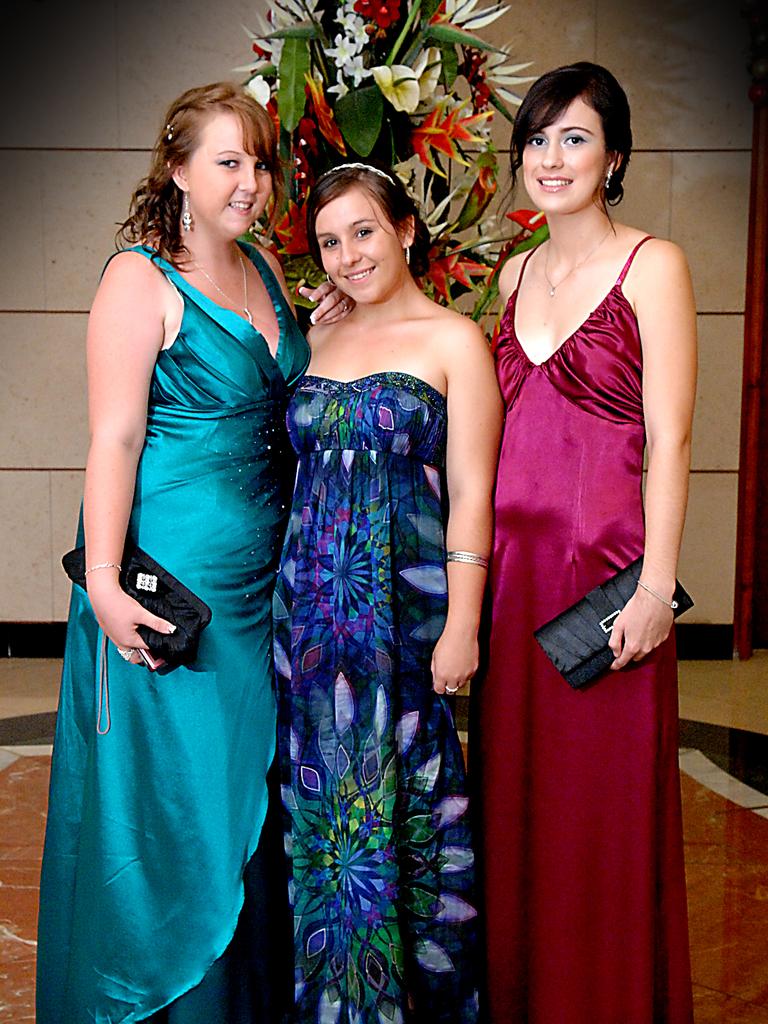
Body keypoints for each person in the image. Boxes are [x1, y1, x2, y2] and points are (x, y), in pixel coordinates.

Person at [36, 82, 346, 1024]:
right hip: (179, 591)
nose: (250, 181)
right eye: (227, 161)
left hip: (267, 584)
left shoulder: (262, 268)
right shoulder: (138, 278)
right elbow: (116, 440)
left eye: (259, 162)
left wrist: (325, 333)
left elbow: (280, 405)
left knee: (249, 792)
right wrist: (101, 586)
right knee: (180, 804)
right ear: (176, 170)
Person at [471, 62, 697, 1023]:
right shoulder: (513, 273)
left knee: (602, 822)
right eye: (537, 138)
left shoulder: (657, 264)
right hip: (512, 588)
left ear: (614, 157)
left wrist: (655, 589)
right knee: (519, 814)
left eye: (574, 138)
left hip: (606, 591)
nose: (551, 157)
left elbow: (674, 436)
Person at [273, 162, 503, 1023]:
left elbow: (473, 491)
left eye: (362, 232)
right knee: (324, 833)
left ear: (406, 229)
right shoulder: (314, 341)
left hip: (404, 624)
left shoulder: (454, 341)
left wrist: (464, 626)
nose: (346, 255)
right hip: (308, 630)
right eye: (328, 242)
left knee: (410, 828)